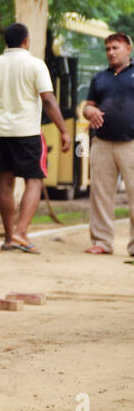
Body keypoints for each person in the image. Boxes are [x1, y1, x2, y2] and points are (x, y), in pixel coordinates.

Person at [0, 22, 72, 253]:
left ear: (5, 41)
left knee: (5, 184)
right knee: (34, 181)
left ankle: (9, 238)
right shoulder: (35, 65)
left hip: (0, 133)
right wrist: (64, 130)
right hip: (27, 133)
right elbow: (48, 100)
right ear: (27, 41)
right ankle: (21, 233)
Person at [82, 31, 134, 255]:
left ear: (128, 49)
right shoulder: (99, 78)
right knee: (101, 194)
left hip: (131, 143)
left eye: (116, 48)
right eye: (108, 49)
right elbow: (87, 106)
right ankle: (102, 242)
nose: (111, 52)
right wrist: (90, 110)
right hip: (102, 143)